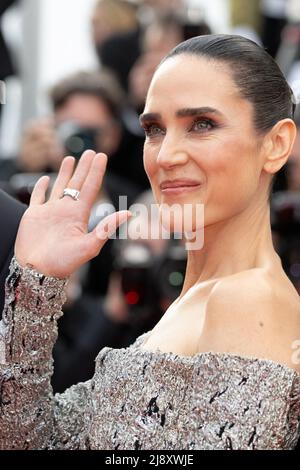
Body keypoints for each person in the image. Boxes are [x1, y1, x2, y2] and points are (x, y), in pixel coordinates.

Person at [0, 34, 300, 450]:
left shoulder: (246, 300)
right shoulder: (195, 300)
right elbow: (25, 439)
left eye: (202, 124)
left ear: (276, 144)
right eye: (155, 129)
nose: (166, 155)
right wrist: (36, 282)